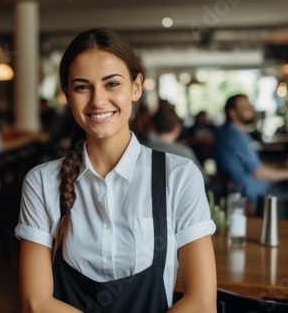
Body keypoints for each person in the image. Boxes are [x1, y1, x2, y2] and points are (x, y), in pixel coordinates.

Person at [15, 28, 216, 312]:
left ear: (136, 88)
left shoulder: (179, 176)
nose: (97, 100)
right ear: (67, 95)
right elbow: (35, 303)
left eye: (111, 84)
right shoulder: (41, 182)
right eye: (82, 87)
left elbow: (201, 303)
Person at [213, 94, 288, 215]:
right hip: (254, 196)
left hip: (261, 190)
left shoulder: (235, 133)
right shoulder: (234, 136)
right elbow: (258, 173)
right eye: (245, 107)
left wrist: (282, 166)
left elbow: (255, 164)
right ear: (232, 113)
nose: (251, 109)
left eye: (250, 105)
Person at [142, 103, 210, 186]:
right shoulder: (184, 153)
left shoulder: (140, 149)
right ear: (178, 128)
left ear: (152, 126)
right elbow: (203, 180)